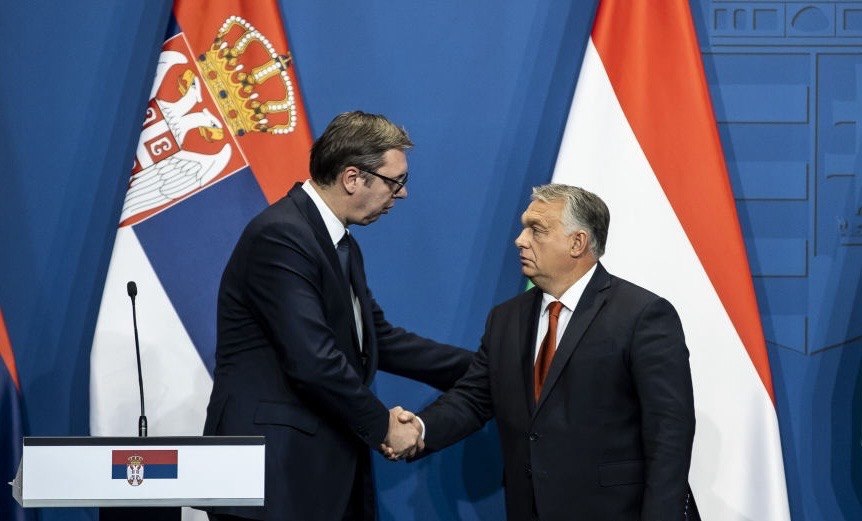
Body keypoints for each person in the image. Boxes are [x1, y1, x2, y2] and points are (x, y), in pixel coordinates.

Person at [202, 111, 473, 521]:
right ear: (352, 178)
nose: (401, 194)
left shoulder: (340, 244)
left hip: (315, 473)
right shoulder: (281, 236)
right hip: (271, 477)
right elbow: (313, 359)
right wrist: (384, 425)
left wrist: (487, 369)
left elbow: (379, 339)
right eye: (395, 181)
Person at [391, 184, 697, 520]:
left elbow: (670, 432)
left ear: (577, 243)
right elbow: (474, 397)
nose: (520, 240)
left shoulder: (642, 315)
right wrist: (420, 427)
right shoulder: (506, 318)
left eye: (536, 230)